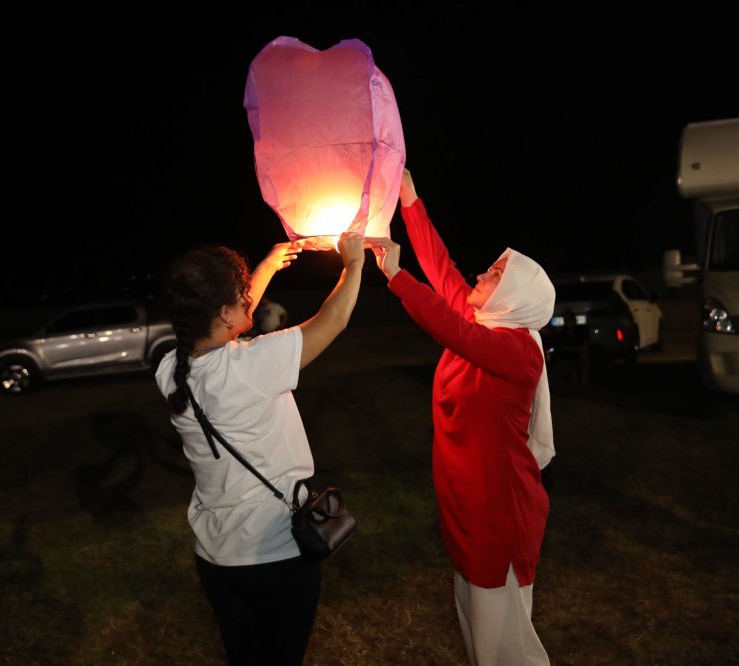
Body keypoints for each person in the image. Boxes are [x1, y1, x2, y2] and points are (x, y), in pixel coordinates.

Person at [369, 169, 555, 666]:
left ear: (514, 297)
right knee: (476, 626)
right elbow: (442, 269)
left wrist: (394, 275)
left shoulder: (517, 350)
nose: (480, 276)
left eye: (494, 276)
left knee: (504, 638)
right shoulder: (484, 321)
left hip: (499, 507)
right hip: (466, 499)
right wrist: (409, 199)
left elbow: (450, 329)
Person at [154, 231, 367, 666]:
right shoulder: (251, 366)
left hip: (216, 558)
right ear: (224, 313)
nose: (249, 298)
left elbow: (226, 323)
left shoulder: (168, 370)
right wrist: (354, 264)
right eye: (242, 295)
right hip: (274, 555)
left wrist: (268, 266)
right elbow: (334, 320)